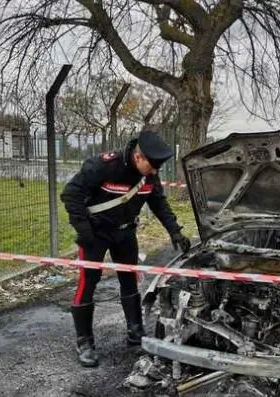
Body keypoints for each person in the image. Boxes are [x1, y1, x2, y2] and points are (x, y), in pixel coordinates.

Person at [60, 130, 192, 367]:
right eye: (152, 166)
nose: (155, 172)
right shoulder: (103, 166)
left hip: (125, 233)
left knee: (129, 280)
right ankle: (85, 341)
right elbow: (71, 195)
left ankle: (135, 332)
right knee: (87, 282)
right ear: (139, 157)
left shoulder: (149, 177)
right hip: (96, 234)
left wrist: (175, 231)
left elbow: (159, 203)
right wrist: (84, 231)